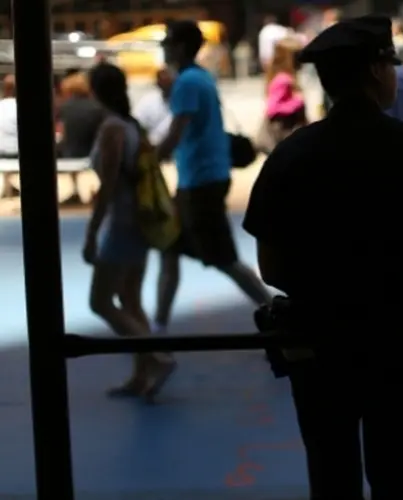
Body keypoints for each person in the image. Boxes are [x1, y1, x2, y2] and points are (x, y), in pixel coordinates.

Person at [242, 15, 403, 499]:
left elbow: (271, 268)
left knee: (331, 478)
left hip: (318, 347)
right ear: (375, 70)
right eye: (391, 64)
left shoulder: (289, 157)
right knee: (402, 476)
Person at [153, 20, 273, 334]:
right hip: (200, 178)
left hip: (200, 181)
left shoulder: (187, 83)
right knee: (170, 250)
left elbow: (177, 131)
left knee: (223, 258)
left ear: (178, 47)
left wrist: (147, 161)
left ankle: (275, 314)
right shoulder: (198, 78)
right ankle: (157, 329)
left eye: (167, 42)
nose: (164, 48)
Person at [84, 62, 175, 402]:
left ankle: (158, 358)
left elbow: (108, 185)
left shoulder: (112, 128)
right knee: (130, 299)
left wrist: (92, 233)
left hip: (121, 223)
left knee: (100, 301)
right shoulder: (130, 124)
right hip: (138, 222)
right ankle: (141, 374)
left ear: (96, 91)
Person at [57, 71, 106, 204]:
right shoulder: (97, 107)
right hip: (91, 153)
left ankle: (75, 191)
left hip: (69, 153)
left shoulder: (64, 108)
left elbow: (62, 132)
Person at [257, 37, 308, 154]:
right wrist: (296, 102)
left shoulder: (286, 77)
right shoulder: (283, 80)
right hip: (283, 132)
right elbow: (272, 108)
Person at [133, 68, 174, 146]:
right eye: (162, 81)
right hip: (152, 148)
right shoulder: (148, 101)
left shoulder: (184, 103)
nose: (165, 85)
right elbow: (137, 127)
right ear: (157, 83)